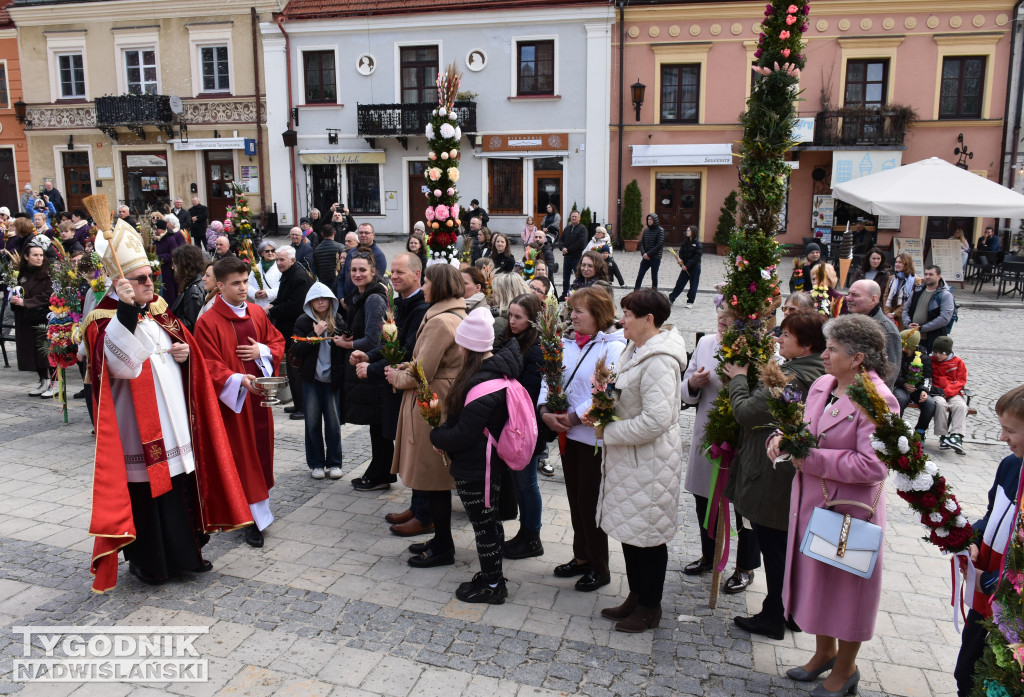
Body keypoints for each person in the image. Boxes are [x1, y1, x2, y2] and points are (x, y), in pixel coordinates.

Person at [84, 221, 252, 590]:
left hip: (176, 423)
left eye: (151, 276)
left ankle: (188, 556)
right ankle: (152, 564)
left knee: (181, 492)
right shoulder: (103, 319)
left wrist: (185, 354)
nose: (151, 284)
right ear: (121, 283)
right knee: (151, 500)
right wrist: (126, 312)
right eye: (141, 279)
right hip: (139, 435)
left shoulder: (160, 310)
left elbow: (189, 351)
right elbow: (119, 367)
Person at [769, 313, 897, 697]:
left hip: (850, 512)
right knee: (817, 583)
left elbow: (875, 465)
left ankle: (845, 669)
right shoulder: (824, 384)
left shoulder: (877, 399)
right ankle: (823, 653)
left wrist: (808, 458)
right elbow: (803, 431)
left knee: (846, 594)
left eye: (833, 349)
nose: (824, 355)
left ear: (858, 358)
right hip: (814, 505)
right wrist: (780, 438)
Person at [724, 310, 827, 640]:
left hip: (772, 476)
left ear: (807, 344)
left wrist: (739, 377)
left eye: (786, 334)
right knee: (788, 548)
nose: (778, 338)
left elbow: (746, 413)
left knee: (776, 549)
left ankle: (774, 615)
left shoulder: (791, 377)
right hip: (792, 476)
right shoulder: (821, 373)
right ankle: (792, 611)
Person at [592, 289, 686, 632]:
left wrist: (608, 432)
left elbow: (657, 420)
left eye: (628, 314)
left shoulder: (660, 359)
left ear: (649, 320)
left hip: (648, 463)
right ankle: (636, 595)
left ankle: (650, 606)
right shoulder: (637, 347)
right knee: (632, 534)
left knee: (647, 537)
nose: (622, 320)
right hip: (631, 461)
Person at [429, 307, 520, 604]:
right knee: (489, 522)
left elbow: (464, 434)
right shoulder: (487, 372)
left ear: (470, 347)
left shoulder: (483, 383)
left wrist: (437, 436)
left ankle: (493, 585)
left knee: (484, 526)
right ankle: (491, 574)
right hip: (482, 462)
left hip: (478, 466)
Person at [194, 256, 286, 549]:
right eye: (236, 283)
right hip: (234, 404)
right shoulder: (208, 321)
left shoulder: (257, 313)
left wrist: (262, 350)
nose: (243, 287)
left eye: (246, 281)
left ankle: (256, 511)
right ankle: (251, 518)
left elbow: (277, 342)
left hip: (259, 401)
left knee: (259, 454)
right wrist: (237, 380)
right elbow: (207, 362)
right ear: (220, 286)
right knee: (242, 457)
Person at [540, 287, 626, 592]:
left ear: (599, 314)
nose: (572, 316)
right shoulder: (565, 342)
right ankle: (581, 557)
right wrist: (545, 409)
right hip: (567, 435)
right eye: (571, 310)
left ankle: (599, 567)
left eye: (579, 311)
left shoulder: (614, 347)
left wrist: (574, 417)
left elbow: (606, 391)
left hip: (592, 438)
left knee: (590, 504)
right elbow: (550, 377)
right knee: (575, 500)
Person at [386, 264, 466, 567]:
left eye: (428, 281)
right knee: (435, 476)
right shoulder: (454, 313)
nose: (424, 287)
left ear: (440, 286)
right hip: (442, 396)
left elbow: (423, 372)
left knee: (433, 476)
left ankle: (444, 546)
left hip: (432, 401)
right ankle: (440, 539)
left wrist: (396, 376)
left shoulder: (439, 322)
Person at [352, 253, 431, 535]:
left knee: (416, 448)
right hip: (396, 383)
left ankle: (425, 512)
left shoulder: (421, 307)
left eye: (400, 272)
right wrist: (368, 355)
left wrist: (371, 369)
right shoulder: (401, 303)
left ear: (417, 274)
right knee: (407, 446)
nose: (394, 276)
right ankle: (418, 506)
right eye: (393, 272)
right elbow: (390, 343)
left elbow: (408, 352)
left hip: (412, 386)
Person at [953, 385, 1024, 697]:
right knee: (965, 673)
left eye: (1010, 430)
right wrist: (973, 537)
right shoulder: (1010, 465)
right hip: (984, 601)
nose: (1002, 438)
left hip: (1010, 608)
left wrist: (991, 582)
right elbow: (992, 513)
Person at [681, 310, 761, 582]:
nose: (723, 317)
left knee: (745, 505)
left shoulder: (758, 348)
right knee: (705, 498)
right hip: (708, 434)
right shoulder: (706, 344)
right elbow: (686, 390)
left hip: (743, 437)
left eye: (731, 313)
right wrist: (693, 383)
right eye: (720, 310)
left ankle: (745, 567)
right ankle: (709, 554)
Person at [341, 249, 392, 491]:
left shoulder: (373, 298)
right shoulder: (361, 295)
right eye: (353, 270)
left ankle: (380, 474)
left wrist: (347, 344)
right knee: (376, 425)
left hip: (372, 367)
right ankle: (380, 472)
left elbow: (373, 340)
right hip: (368, 365)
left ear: (373, 272)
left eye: (363, 270)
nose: (357, 274)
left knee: (379, 425)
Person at [499, 293, 545, 559]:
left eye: (519, 317)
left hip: (527, 426)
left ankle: (532, 536)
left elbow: (529, 391)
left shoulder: (535, 348)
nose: (513, 321)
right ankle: (525, 532)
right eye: (511, 315)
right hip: (513, 424)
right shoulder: (511, 339)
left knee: (527, 484)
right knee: (520, 483)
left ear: (531, 320)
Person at [291, 282, 347, 480]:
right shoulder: (304, 321)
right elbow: (295, 350)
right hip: (311, 380)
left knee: (333, 422)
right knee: (313, 422)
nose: (321, 302)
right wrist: (313, 334)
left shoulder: (338, 320)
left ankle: (334, 462)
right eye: (316, 299)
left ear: (331, 301)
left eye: (324, 299)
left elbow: (344, 351)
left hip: (332, 379)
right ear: (310, 303)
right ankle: (316, 463)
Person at [267, 246, 314, 420]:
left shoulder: (299, 277)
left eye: (281, 260)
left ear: (292, 260)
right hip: (288, 327)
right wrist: (274, 305)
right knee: (293, 367)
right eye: (277, 260)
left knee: (296, 367)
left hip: (297, 328)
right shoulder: (290, 273)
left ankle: (303, 406)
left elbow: (295, 306)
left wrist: (273, 310)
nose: (278, 263)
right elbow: (283, 297)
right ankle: (298, 403)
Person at [10, 240, 54, 396]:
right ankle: (43, 381)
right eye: (35, 255)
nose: (39, 258)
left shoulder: (47, 273)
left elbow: (49, 295)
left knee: (46, 351)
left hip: (42, 316)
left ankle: (54, 384)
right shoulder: (22, 273)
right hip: (26, 317)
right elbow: (18, 290)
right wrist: (14, 298)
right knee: (33, 351)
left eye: (41, 255)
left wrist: (26, 302)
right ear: (27, 257)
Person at [845, 279, 900, 389]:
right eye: (848, 294)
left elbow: (889, 375)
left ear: (873, 299)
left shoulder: (886, 330)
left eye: (855, 295)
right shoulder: (851, 321)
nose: (848, 298)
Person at [892, 329, 936, 442]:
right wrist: (904, 383)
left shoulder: (924, 358)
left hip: (917, 389)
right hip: (901, 387)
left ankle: (920, 432)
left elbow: (927, 377)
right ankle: (895, 429)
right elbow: (894, 374)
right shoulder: (898, 356)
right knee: (900, 399)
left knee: (929, 404)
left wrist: (924, 390)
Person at [902, 265, 955, 353]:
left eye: (931, 274)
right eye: (926, 274)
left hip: (932, 338)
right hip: (913, 337)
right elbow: (906, 309)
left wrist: (922, 328)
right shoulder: (917, 290)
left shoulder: (945, 295)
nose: (927, 277)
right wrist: (908, 323)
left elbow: (944, 318)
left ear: (939, 276)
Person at [930, 334, 969, 455]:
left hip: (953, 392)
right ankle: (943, 435)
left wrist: (947, 392)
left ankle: (956, 436)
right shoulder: (929, 360)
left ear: (948, 352)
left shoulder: (958, 362)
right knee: (940, 405)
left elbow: (961, 381)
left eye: (941, 353)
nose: (937, 355)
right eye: (935, 352)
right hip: (936, 393)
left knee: (961, 406)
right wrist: (938, 392)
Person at [336, 223, 387, 300]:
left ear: (373, 235)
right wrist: (341, 297)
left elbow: (375, 283)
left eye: (366, 233)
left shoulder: (378, 255)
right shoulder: (351, 252)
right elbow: (342, 276)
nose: (363, 235)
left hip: (364, 301)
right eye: (360, 232)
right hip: (346, 301)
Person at [169, 244, 208, 333]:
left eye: (175, 264)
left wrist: (167, 323)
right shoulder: (195, 283)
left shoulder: (194, 290)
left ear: (184, 266)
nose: (173, 267)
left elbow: (190, 324)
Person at [668, 224, 703, 307]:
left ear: (693, 232)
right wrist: (681, 261)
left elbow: (697, 257)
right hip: (685, 266)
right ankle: (671, 299)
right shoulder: (685, 242)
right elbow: (681, 253)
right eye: (687, 230)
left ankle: (690, 301)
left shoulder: (698, 244)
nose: (687, 232)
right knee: (680, 283)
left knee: (693, 285)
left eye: (688, 230)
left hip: (695, 267)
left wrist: (687, 265)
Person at [152, 219, 184, 305]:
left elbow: (174, 254)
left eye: (157, 229)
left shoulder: (170, 239)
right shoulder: (155, 240)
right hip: (158, 269)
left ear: (162, 229)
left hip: (168, 270)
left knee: (169, 291)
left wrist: (159, 257)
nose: (156, 231)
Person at [883, 252, 916, 330]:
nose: (897, 264)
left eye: (900, 262)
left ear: (907, 264)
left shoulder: (915, 280)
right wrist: (887, 312)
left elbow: (909, 300)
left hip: (903, 315)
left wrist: (894, 314)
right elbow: (886, 295)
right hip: (889, 313)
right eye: (896, 262)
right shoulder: (892, 278)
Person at [247, 240, 282, 311]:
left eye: (273, 251)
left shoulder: (280, 267)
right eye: (267, 251)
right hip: (258, 306)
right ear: (262, 253)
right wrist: (255, 293)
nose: (270, 253)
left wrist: (267, 293)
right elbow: (248, 285)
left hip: (275, 306)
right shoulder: (256, 267)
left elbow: (283, 288)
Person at [633, 213, 665, 291]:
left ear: (655, 220)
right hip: (645, 258)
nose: (649, 221)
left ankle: (654, 293)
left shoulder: (660, 230)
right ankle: (636, 291)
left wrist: (649, 254)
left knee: (654, 276)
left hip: (655, 258)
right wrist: (643, 253)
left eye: (651, 219)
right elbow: (642, 243)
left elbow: (659, 244)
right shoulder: (646, 230)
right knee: (640, 275)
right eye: (648, 219)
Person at [312, 223, 344, 289]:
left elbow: (315, 267)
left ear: (322, 234)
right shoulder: (341, 247)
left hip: (323, 281)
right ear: (334, 233)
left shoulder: (317, 249)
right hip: (338, 280)